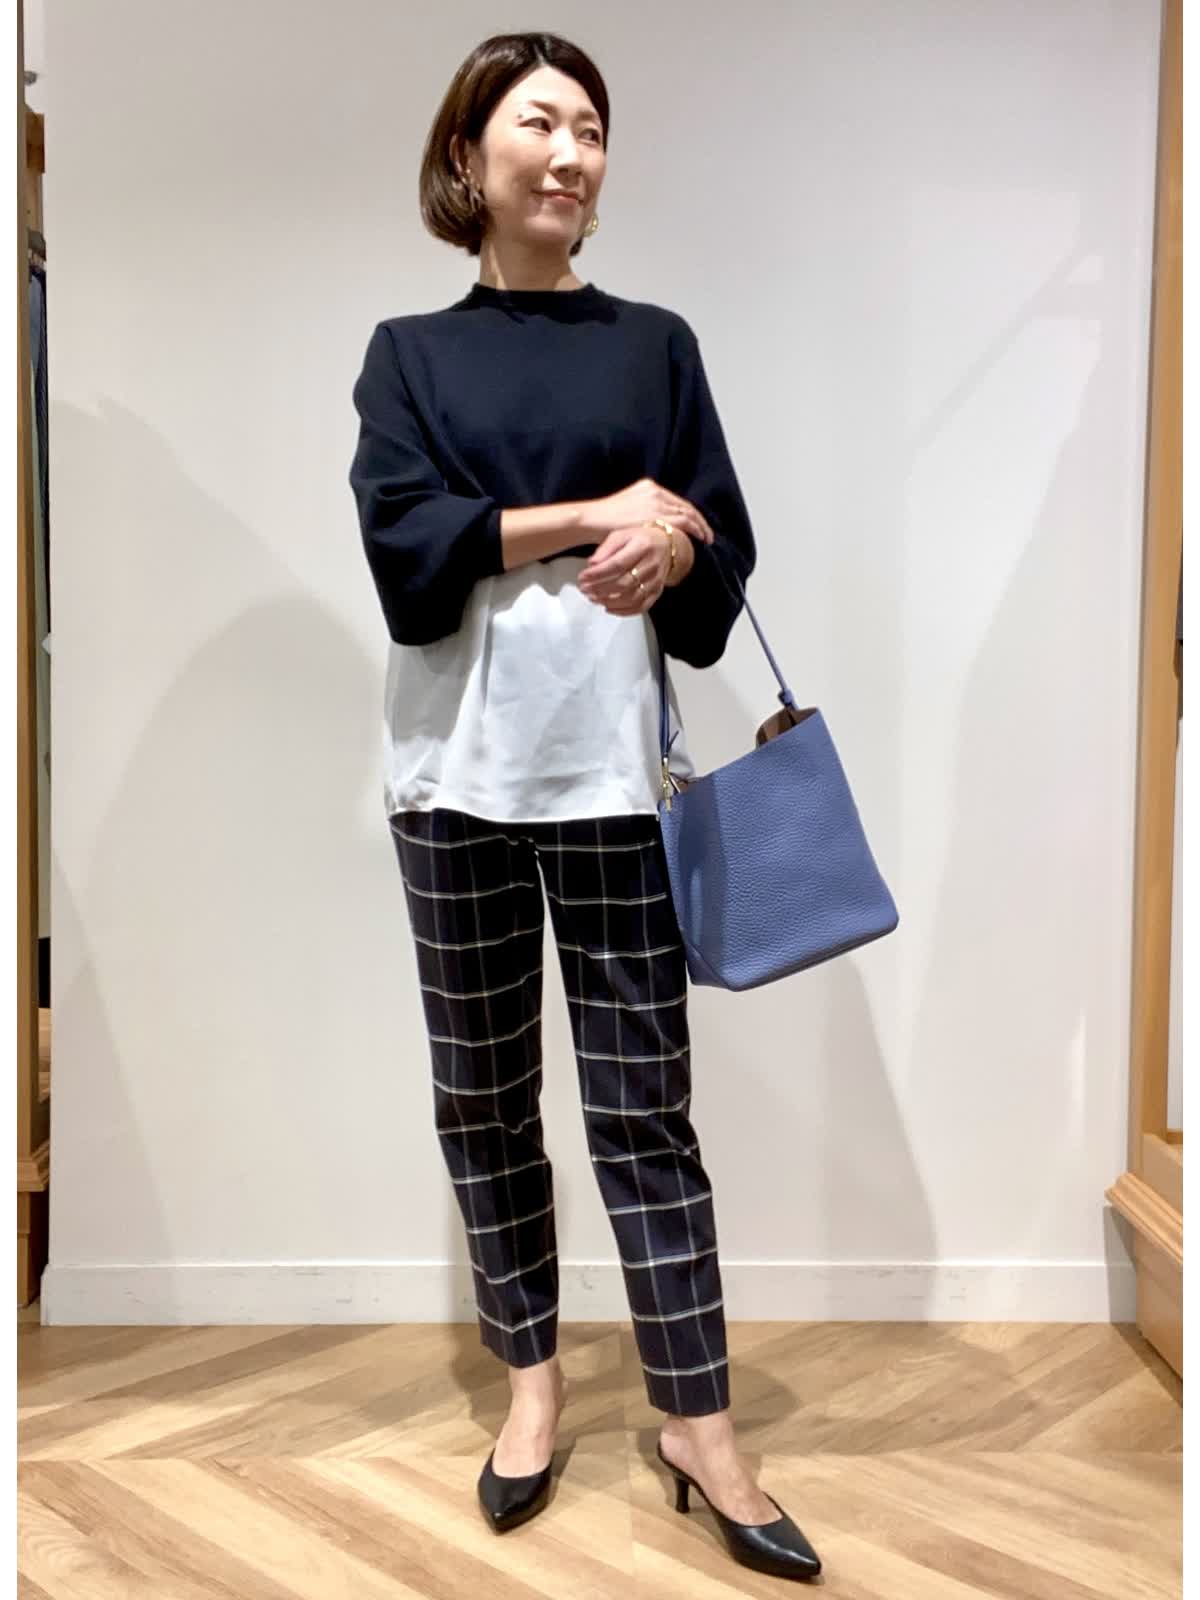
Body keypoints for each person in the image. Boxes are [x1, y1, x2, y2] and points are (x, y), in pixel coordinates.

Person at [348, 30, 821, 1581]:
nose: (571, 152)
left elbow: (717, 547)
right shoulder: (409, 355)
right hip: (453, 781)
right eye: (540, 122)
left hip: (616, 781)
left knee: (642, 1114)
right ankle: (533, 1387)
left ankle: (699, 1421)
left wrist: (677, 544)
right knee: (485, 1100)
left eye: (593, 129)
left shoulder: (654, 345)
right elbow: (406, 546)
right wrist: (594, 513)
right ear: (469, 154)